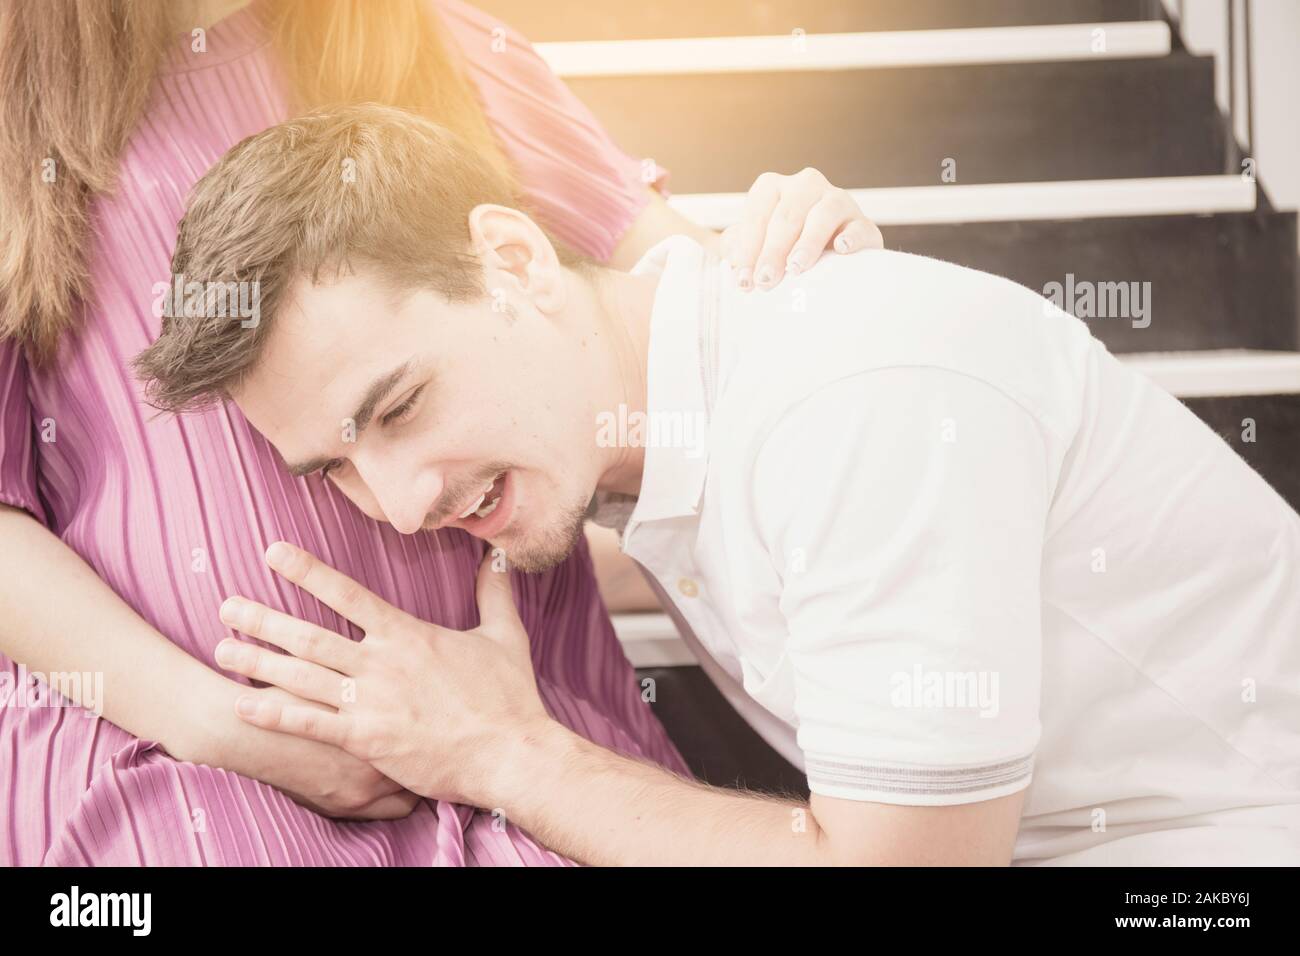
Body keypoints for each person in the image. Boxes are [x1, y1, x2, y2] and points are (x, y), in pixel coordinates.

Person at [138, 103, 1300, 866]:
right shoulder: (660, 419)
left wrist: (504, 751)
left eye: (398, 409)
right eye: (335, 463)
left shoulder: (851, 399)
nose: (395, 503)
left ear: (514, 259)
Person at [0, 0, 880, 865]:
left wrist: (804, 253)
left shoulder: (439, 40)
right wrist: (217, 723)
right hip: (162, 750)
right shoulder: (15, 109)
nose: (400, 509)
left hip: (518, 726)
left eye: (400, 408)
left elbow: (690, 305)